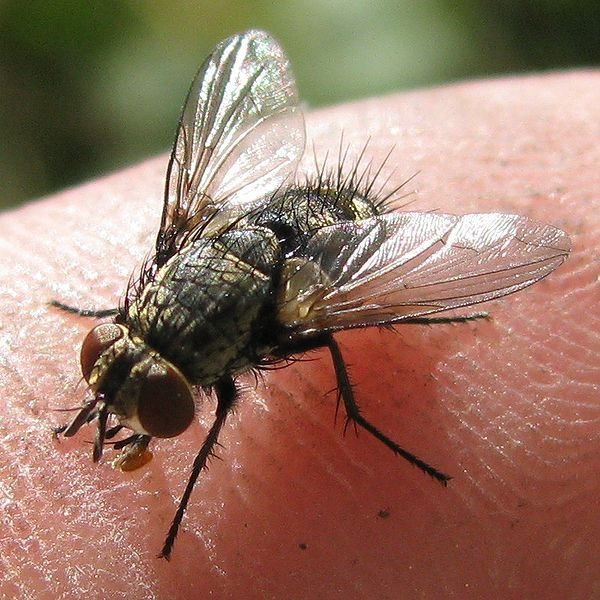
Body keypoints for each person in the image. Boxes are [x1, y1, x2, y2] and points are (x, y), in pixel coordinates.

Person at [0, 70, 596, 599]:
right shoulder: (178, 242)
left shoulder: (290, 312)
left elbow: (318, 339)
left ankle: (369, 409)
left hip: (334, 240)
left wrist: (180, 509)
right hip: (265, 224)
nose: (118, 384)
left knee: (342, 321)